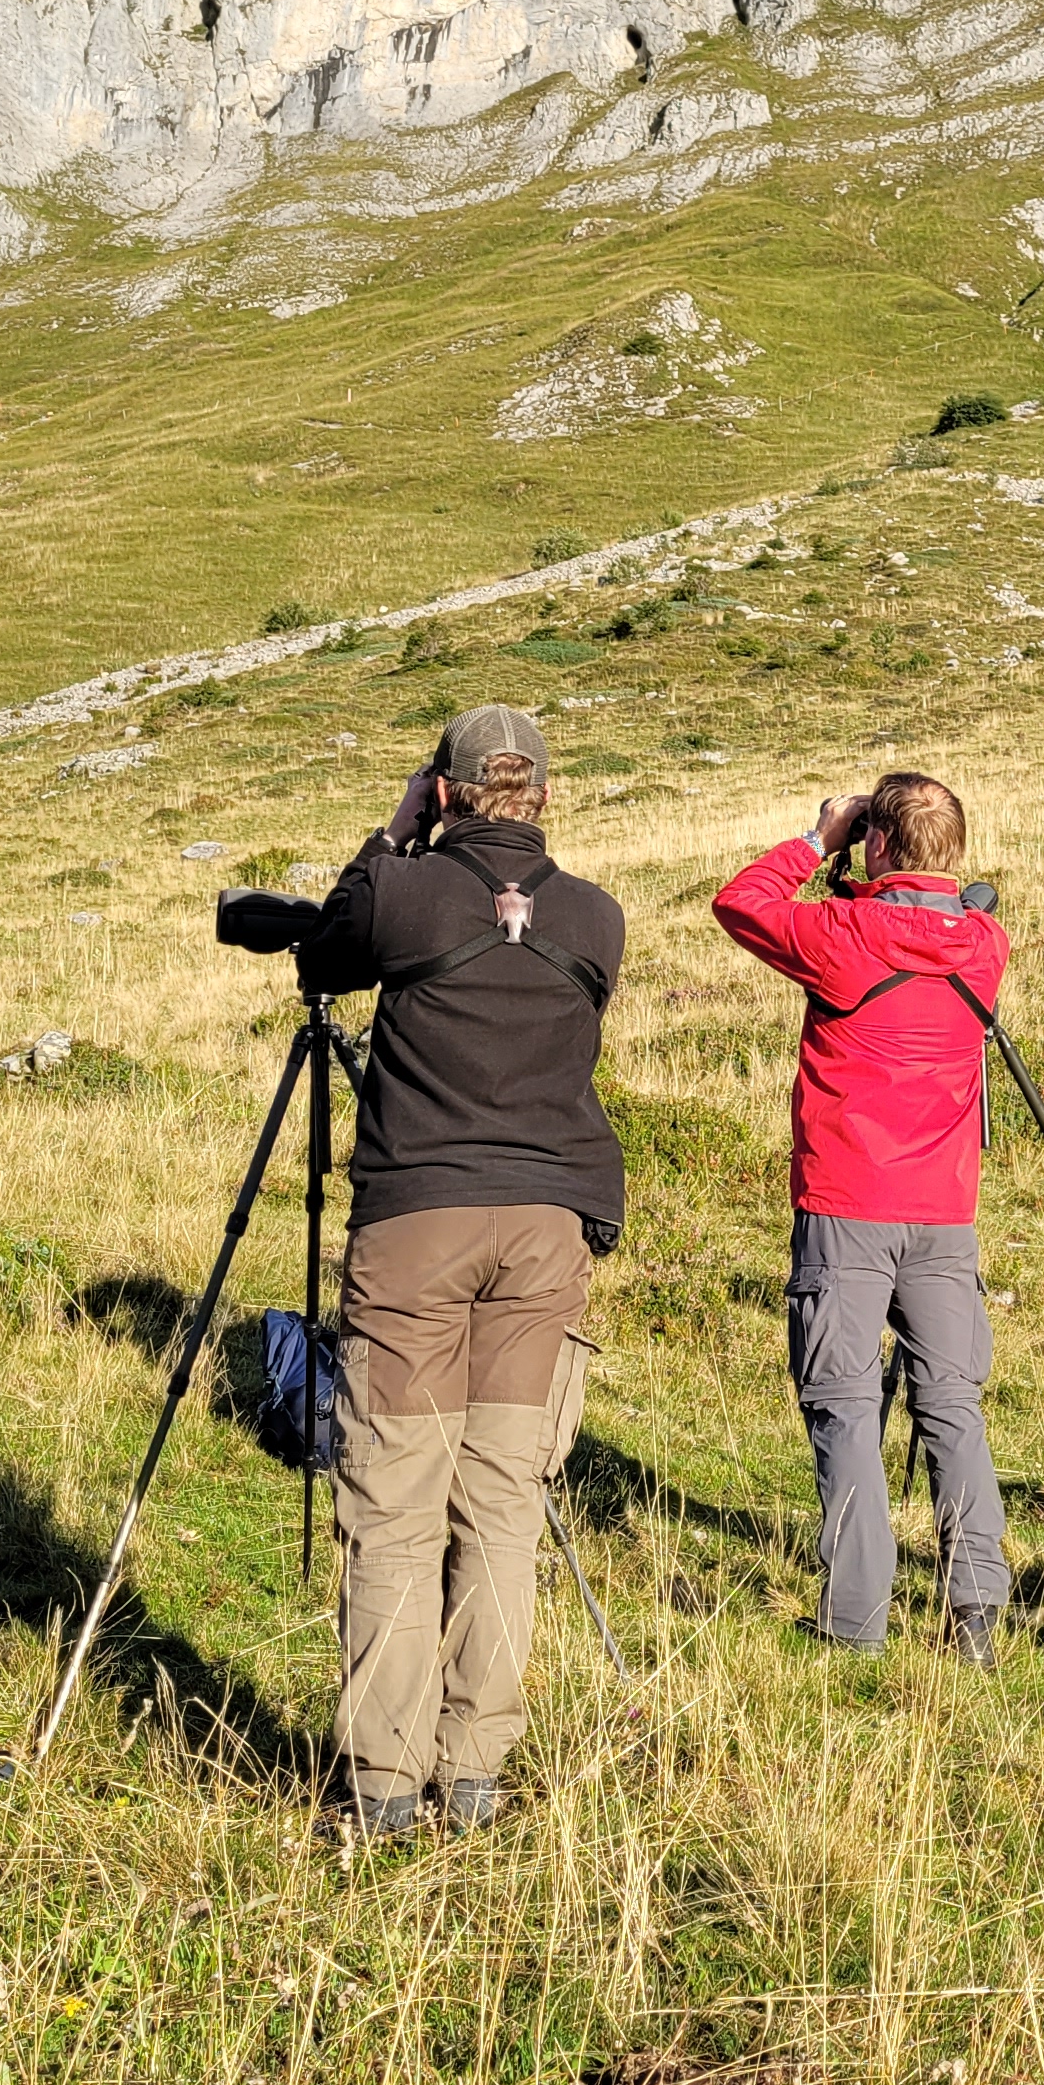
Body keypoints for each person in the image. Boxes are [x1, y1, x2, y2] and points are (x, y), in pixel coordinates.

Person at [295, 701, 627, 1837]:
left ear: (443, 791)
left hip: (417, 1225)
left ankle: (385, 1786)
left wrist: (393, 838)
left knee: (395, 1503)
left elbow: (327, 948)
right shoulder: (595, 917)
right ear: (542, 793)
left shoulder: (403, 889)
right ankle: (474, 1768)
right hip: (545, 1229)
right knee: (501, 1504)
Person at [712, 772, 1014, 1662]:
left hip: (847, 1203)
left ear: (876, 844)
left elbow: (741, 904)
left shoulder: (843, 934)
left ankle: (855, 1621)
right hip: (945, 1212)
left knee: (844, 1407)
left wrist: (817, 842)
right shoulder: (986, 944)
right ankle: (977, 1615)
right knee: (952, 1406)